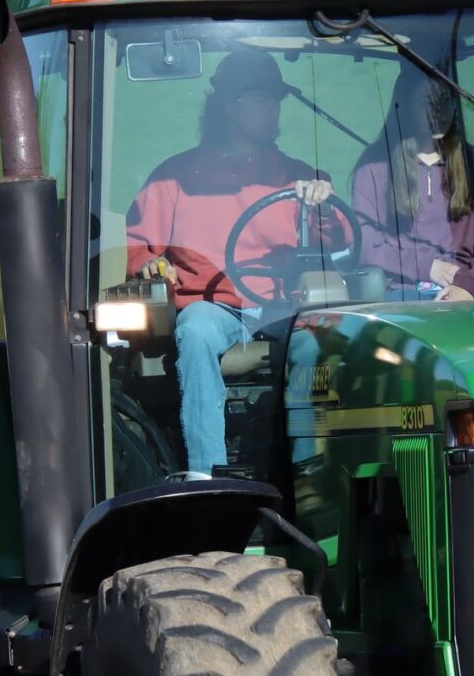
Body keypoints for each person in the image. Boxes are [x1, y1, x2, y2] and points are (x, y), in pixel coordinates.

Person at [125, 48, 335, 476]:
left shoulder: (299, 178)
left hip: (283, 306)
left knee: (324, 337)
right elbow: (140, 248)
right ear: (228, 105)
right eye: (260, 98)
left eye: (275, 100)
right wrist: (149, 264)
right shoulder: (175, 177)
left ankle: (313, 473)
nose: (272, 109)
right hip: (213, 304)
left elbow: (340, 242)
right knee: (197, 329)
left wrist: (323, 206)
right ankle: (207, 475)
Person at [349, 68, 474, 301]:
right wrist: (426, 265)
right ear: (404, 108)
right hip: (401, 295)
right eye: (426, 103)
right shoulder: (374, 167)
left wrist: (467, 285)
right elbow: (364, 243)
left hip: (472, 292)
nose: (438, 111)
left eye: (444, 101)